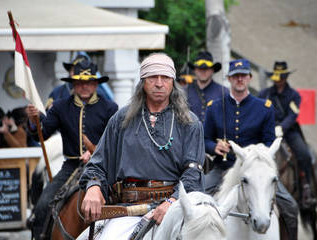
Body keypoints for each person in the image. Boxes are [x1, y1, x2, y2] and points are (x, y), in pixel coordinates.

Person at [78, 53, 205, 239]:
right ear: (143, 82)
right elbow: (97, 165)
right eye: (153, 77)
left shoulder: (190, 123)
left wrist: (172, 201)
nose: (159, 83)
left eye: (166, 77)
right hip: (128, 211)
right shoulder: (121, 119)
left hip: (175, 209)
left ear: (173, 82)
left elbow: (193, 174)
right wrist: (94, 187)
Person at [204, 59, 298, 240]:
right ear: (229, 79)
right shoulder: (214, 108)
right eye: (235, 76)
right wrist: (214, 146)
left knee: (290, 207)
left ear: (249, 78)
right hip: (223, 169)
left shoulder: (264, 108)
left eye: (243, 76)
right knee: (194, 200)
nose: (240, 79)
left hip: (256, 172)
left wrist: (256, 152)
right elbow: (204, 139)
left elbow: (270, 141)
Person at [27, 60, 118, 240]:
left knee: (122, 204)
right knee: (42, 207)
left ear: (95, 83)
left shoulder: (110, 108)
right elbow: (41, 135)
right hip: (70, 166)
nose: (84, 86)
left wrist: (95, 151)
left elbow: (115, 141)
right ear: (73, 84)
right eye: (79, 82)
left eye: (89, 81)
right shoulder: (60, 107)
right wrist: (34, 121)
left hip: (103, 167)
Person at [258, 61, 313, 208]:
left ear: (285, 77)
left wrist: (282, 127)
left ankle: (307, 187)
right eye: (277, 77)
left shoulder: (294, 95)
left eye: (281, 77)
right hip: (269, 131)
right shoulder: (265, 94)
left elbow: (293, 114)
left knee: (304, 154)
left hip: (289, 131)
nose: (278, 80)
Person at [46, 54, 112, 110]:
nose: (84, 86)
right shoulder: (58, 91)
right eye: (75, 70)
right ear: (70, 71)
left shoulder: (99, 93)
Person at [186, 50, 228, 123]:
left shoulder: (223, 92)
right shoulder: (184, 91)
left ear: (212, 70)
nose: (203, 71)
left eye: (206, 69)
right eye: (200, 68)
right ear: (195, 70)